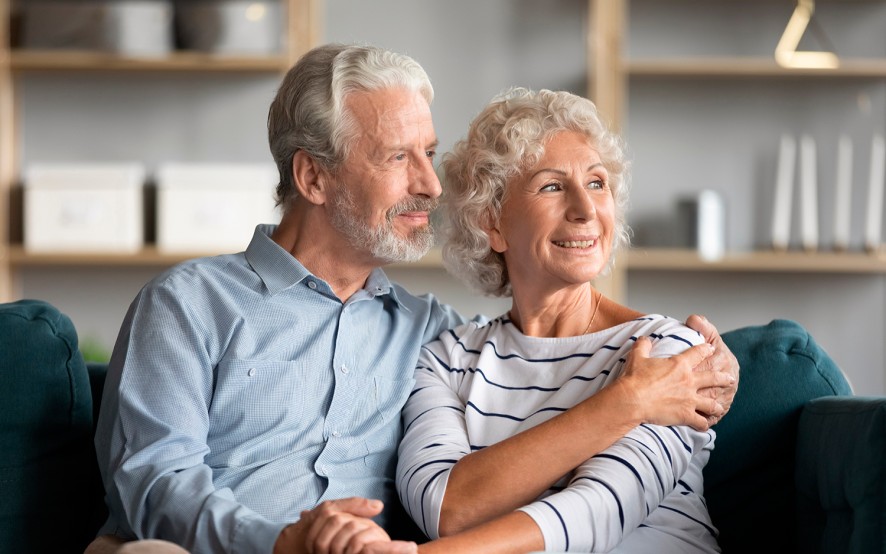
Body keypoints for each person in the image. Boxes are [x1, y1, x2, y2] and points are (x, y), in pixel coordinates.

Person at [88, 44, 738, 554]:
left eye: (429, 154)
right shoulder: (188, 304)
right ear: (313, 176)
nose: (430, 185)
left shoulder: (430, 331)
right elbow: (153, 480)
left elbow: (543, 354)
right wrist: (281, 544)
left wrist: (717, 368)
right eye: (400, 157)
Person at [396, 87, 724, 553]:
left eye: (596, 183)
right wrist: (625, 402)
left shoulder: (666, 351)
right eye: (552, 185)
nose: (586, 209)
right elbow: (447, 508)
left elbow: (598, 510)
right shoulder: (448, 360)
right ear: (493, 223)